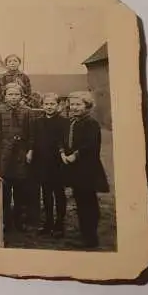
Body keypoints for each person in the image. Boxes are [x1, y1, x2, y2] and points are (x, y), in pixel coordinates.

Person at [61, 91, 109, 249]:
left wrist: (75, 155)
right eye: (72, 104)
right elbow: (65, 140)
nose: (74, 107)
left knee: (88, 202)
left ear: (87, 106)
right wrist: (63, 153)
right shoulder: (72, 122)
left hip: (87, 169)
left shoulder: (91, 124)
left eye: (78, 104)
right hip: (75, 170)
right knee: (80, 200)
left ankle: (91, 238)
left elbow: (91, 145)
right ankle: (84, 233)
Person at [0, 83, 34, 232]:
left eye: (16, 94)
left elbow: (31, 134)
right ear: (5, 96)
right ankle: (6, 220)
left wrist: (30, 150)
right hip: (4, 152)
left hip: (21, 152)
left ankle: (19, 219)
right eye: (10, 94)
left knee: (20, 188)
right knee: (5, 187)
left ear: (21, 96)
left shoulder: (27, 111)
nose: (13, 97)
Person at [28, 92, 68, 237]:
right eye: (46, 104)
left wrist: (62, 153)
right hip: (42, 162)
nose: (49, 107)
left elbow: (64, 142)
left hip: (57, 163)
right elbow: (33, 138)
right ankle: (48, 222)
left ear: (58, 106)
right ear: (42, 105)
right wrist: (30, 151)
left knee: (59, 193)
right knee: (46, 193)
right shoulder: (37, 122)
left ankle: (60, 223)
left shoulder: (64, 122)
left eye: (52, 104)